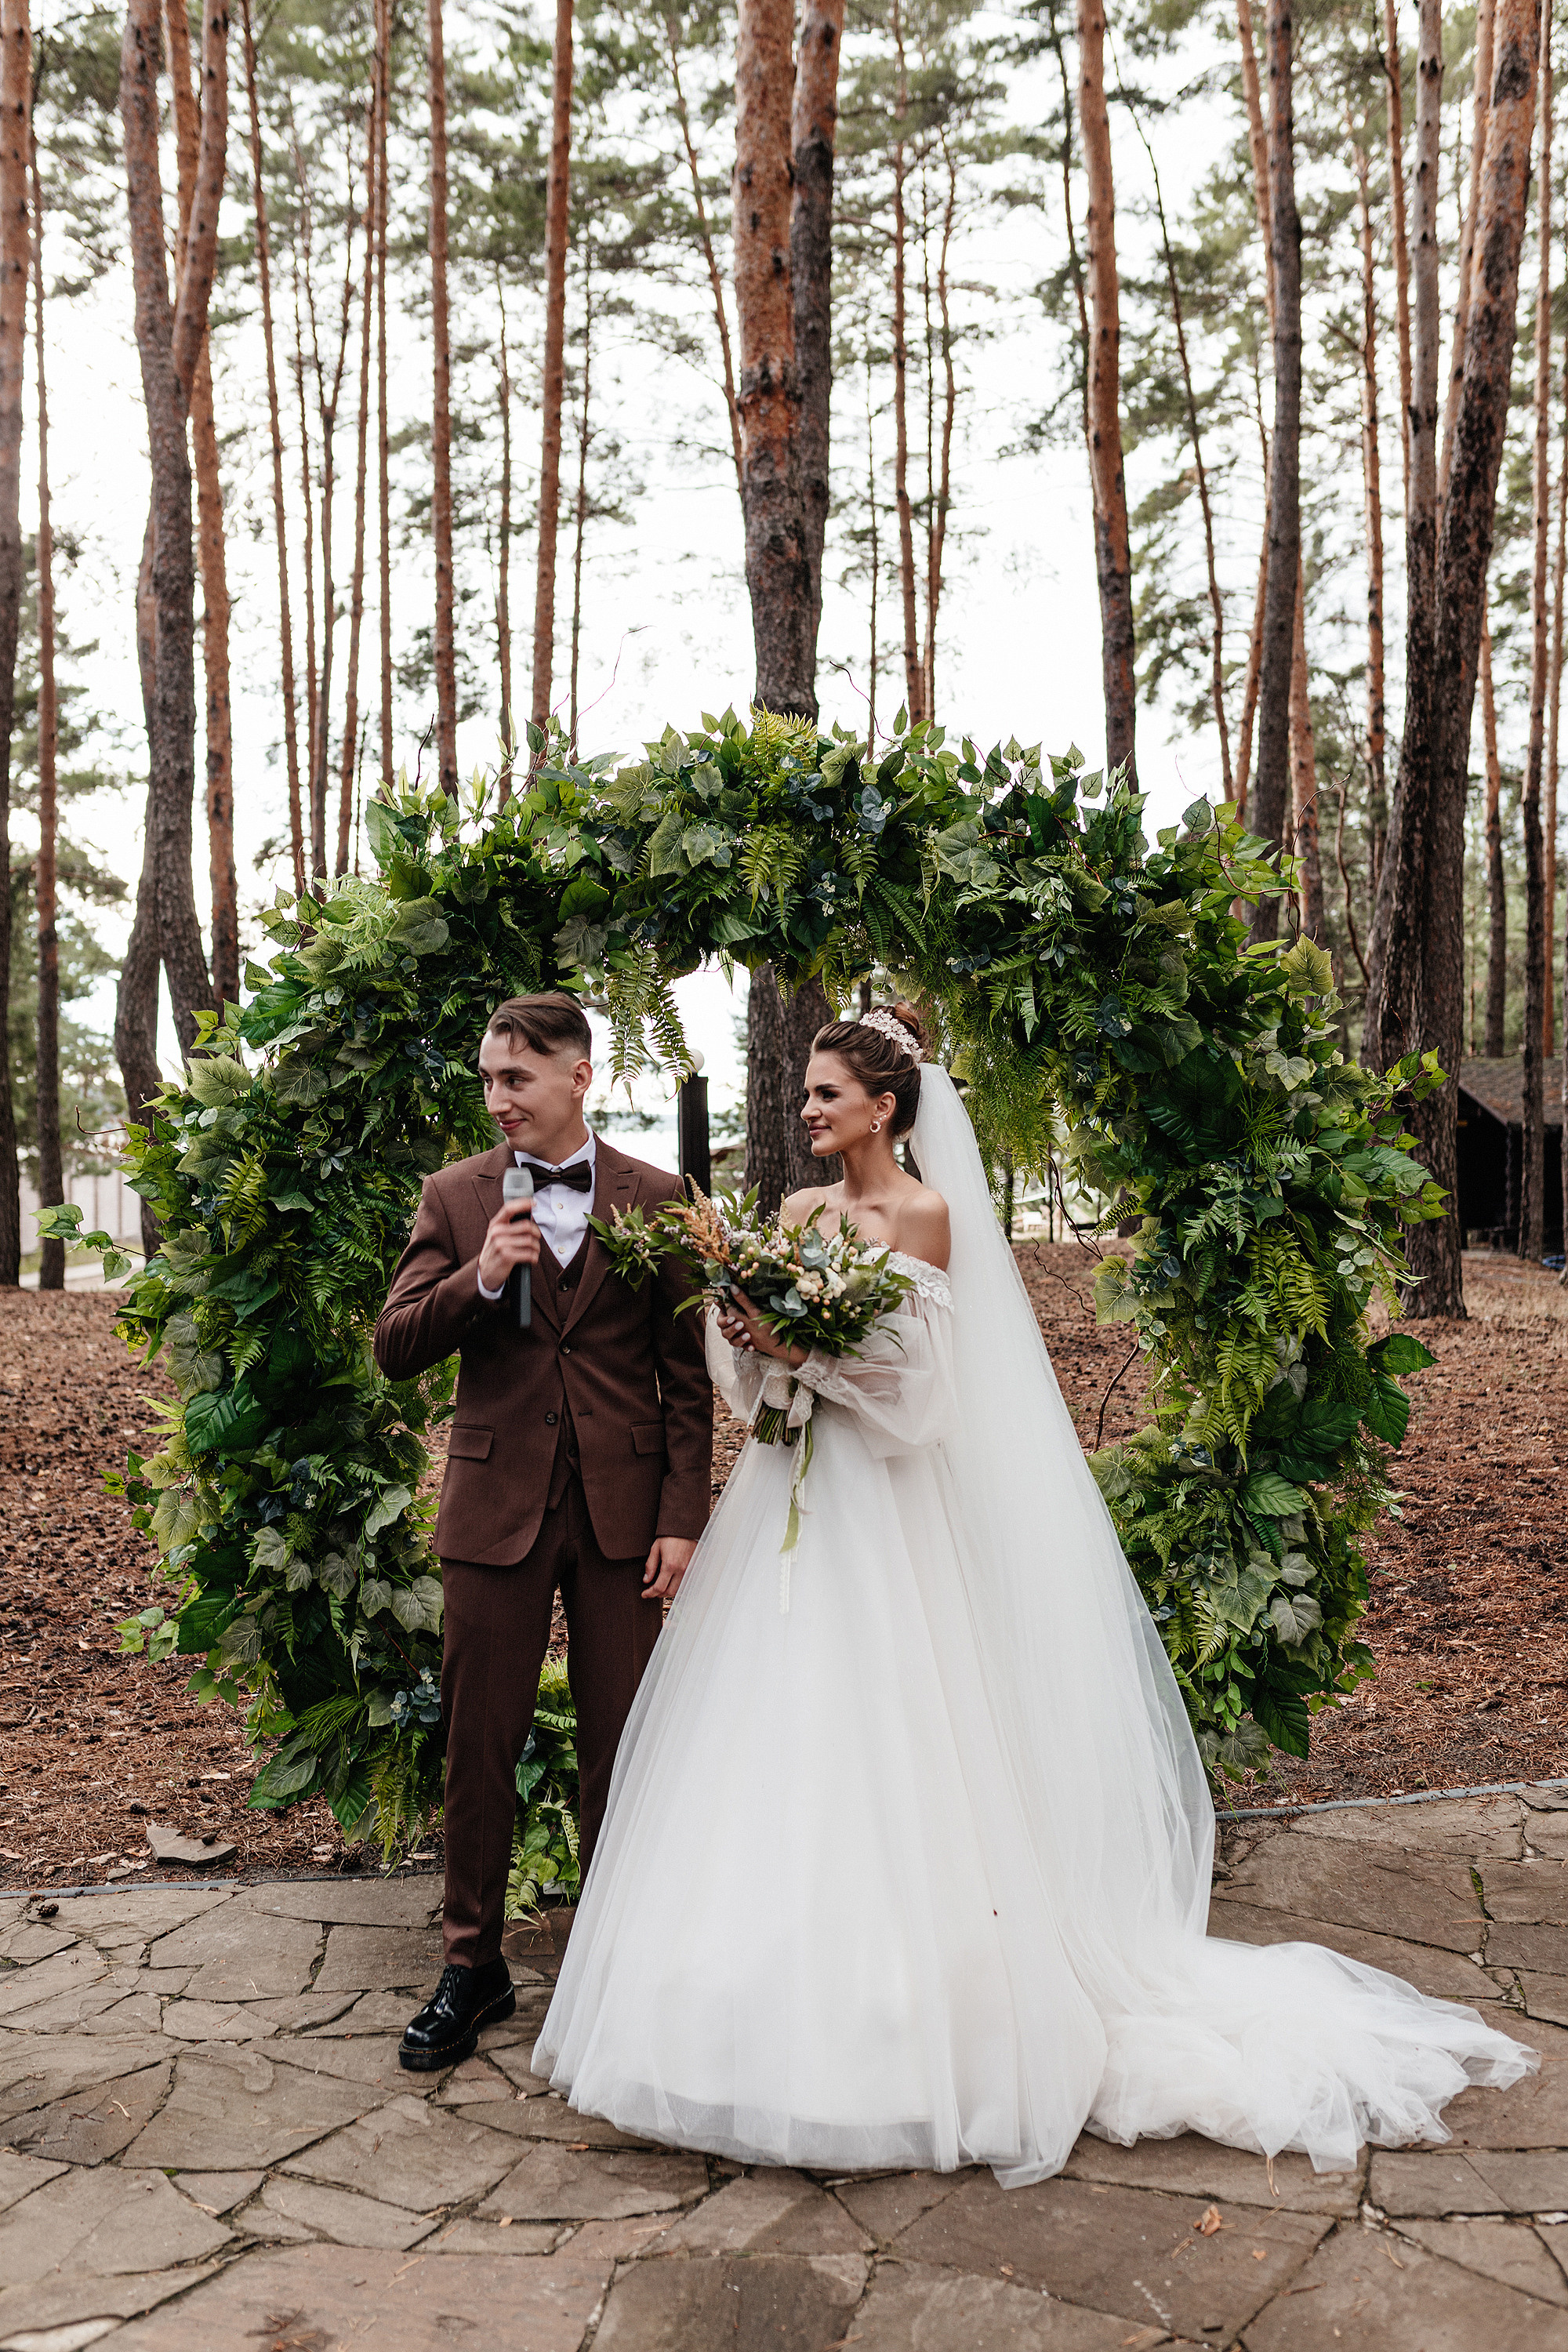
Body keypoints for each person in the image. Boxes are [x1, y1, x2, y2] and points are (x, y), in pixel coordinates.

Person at [533, 1003, 1535, 2184]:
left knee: (892, 1739)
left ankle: (901, 2027)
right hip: (789, 1501)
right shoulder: (797, 1216)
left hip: (884, 1512)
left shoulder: (925, 1217)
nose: (805, 1110)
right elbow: (747, 1382)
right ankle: (730, 2012)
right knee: (766, 1736)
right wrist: (754, 1341)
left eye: (825, 1095)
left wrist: (813, 1355)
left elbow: (922, 1398)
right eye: (803, 1093)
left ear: (886, 1108)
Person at [372, 992, 712, 2071]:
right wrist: (479, 1280)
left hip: (623, 1518)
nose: (496, 1097)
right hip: (493, 1510)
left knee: (627, 1746)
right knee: (479, 1746)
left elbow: (688, 1381)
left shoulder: (658, 1200)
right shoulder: (457, 1195)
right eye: (486, 1078)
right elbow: (394, 1345)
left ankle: (617, 1967)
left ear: (580, 1075)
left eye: (515, 1077)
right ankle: (471, 1967)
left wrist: (683, 1519)